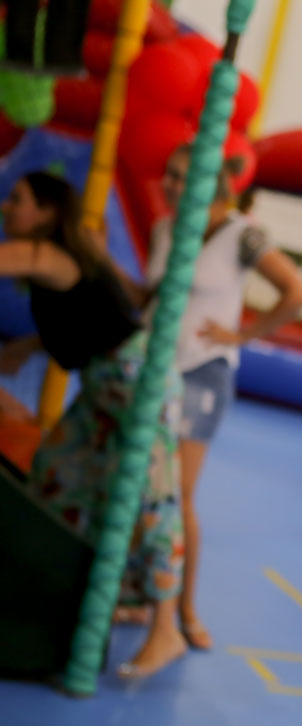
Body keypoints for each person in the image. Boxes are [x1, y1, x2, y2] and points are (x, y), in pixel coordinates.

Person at [0, 171, 187, 678]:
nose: (7, 207)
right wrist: (27, 346)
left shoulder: (44, 254)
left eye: (17, 199)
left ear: (47, 212)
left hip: (136, 379)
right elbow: (99, 312)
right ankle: (80, 584)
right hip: (102, 383)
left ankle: (166, 628)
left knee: (152, 494)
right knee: (56, 470)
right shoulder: (70, 258)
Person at [142, 145, 302, 651]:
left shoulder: (242, 234)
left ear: (212, 183)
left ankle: (184, 611)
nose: (171, 184)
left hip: (201, 371)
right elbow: (148, 298)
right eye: (168, 174)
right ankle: (145, 596)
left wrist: (241, 335)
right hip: (155, 369)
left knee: (178, 495)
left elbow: (297, 292)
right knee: (142, 486)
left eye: (182, 176)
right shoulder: (164, 230)